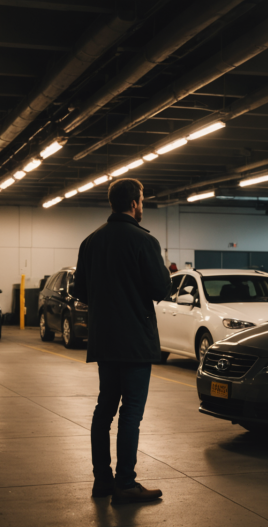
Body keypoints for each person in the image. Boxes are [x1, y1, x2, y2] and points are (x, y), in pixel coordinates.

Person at [72, 177, 171, 504]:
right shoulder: (144, 242)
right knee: (131, 413)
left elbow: (80, 291)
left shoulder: (90, 242)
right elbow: (161, 289)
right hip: (135, 343)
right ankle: (125, 484)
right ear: (133, 203)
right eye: (141, 200)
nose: (142, 206)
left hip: (104, 341)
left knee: (104, 410)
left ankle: (103, 481)